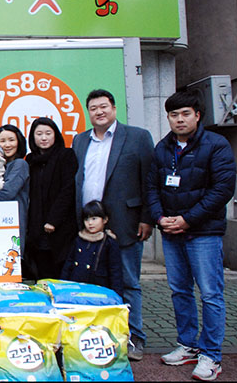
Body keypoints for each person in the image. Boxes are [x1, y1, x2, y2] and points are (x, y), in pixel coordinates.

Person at [146, 90, 235, 381]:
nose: (179, 120)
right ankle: (187, 345)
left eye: (185, 114)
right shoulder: (162, 148)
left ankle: (211, 355)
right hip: (171, 232)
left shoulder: (216, 145)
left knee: (210, 294)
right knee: (180, 290)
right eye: (173, 115)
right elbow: (152, 188)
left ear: (197, 115)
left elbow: (222, 190)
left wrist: (187, 220)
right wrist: (160, 218)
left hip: (204, 233)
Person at [72, 89, 154, 361]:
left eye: (103, 106)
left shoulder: (137, 137)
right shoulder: (80, 140)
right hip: (87, 226)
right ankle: (98, 335)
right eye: (93, 108)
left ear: (114, 108)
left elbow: (149, 180)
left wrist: (147, 218)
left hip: (124, 223)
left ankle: (134, 337)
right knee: (92, 281)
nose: (99, 112)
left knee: (128, 282)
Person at [25, 117, 78, 280]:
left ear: (56, 135)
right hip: (36, 229)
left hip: (60, 228)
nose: (44, 138)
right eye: (39, 134)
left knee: (61, 274)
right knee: (42, 275)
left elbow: (68, 190)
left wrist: (53, 220)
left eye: (48, 133)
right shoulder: (30, 160)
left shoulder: (66, 155)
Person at [0, 124, 30, 260]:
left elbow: (7, 193)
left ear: (19, 142)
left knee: (9, 262)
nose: (7, 145)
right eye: (2, 141)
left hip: (12, 223)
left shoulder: (20, 164)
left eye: (11, 140)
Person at [61, 200, 124, 298]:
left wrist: (117, 296)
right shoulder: (79, 239)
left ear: (105, 220)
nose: (90, 223)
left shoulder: (109, 242)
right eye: (86, 219)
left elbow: (115, 271)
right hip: (76, 287)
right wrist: (63, 286)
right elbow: (69, 264)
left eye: (94, 219)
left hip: (100, 290)